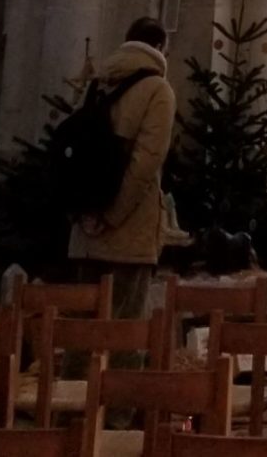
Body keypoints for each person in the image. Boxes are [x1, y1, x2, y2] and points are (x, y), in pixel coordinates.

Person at [69, 16, 177, 318]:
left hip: (86, 232)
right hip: (128, 235)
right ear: (158, 47)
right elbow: (146, 162)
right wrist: (112, 215)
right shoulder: (158, 90)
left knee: (82, 333)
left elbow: (74, 152)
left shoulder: (97, 83)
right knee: (123, 337)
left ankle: (77, 369)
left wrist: (86, 214)